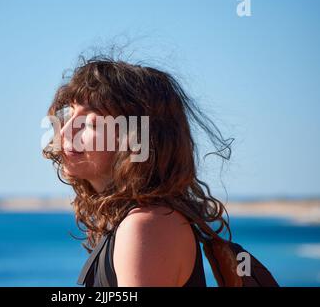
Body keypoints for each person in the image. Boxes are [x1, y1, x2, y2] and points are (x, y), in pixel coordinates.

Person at [43, 54, 234, 287]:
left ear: (136, 138)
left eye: (90, 123)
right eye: (69, 114)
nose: (63, 133)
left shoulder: (146, 226)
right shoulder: (138, 222)